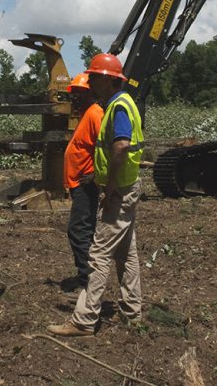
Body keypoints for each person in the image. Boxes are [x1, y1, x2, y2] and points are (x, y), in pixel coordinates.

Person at [47, 53, 144, 337]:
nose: (90, 83)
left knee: (99, 254)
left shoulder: (118, 107)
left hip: (120, 190)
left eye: (93, 78)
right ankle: (132, 312)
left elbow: (122, 145)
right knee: (127, 254)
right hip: (126, 187)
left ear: (107, 80)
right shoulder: (120, 104)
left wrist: (110, 184)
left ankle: (84, 320)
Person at [61, 72, 104, 294]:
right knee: (84, 230)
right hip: (80, 183)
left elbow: (105, 146)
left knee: (78, 230)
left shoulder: (95, 113)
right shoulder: (86, 114)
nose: (74, 98)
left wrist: (96, 175)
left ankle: (88, 281)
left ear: (91, 93)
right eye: (73, 94)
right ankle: (86, 276)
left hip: (86, 183)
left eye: (79, 93)